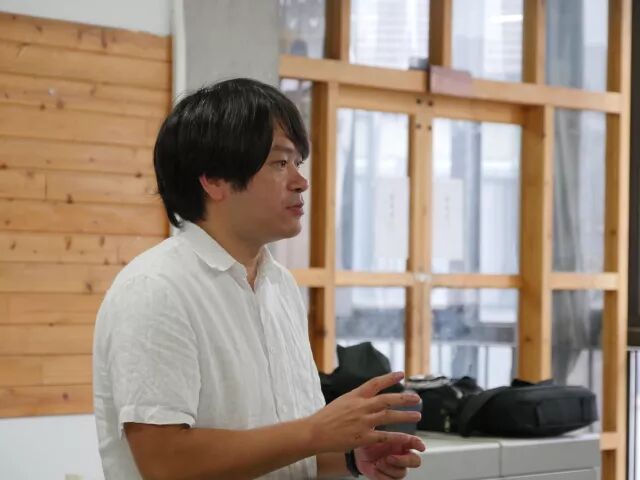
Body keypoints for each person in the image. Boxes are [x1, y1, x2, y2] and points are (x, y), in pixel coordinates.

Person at [92, 78, 425, 479]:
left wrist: (351, 457)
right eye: (280, 163)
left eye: (298, 163)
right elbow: (165, 462)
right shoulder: (156, 289)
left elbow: (285, 448)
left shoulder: (279, 284)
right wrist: (315, 432)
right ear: (214, 179)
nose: (300, 181)